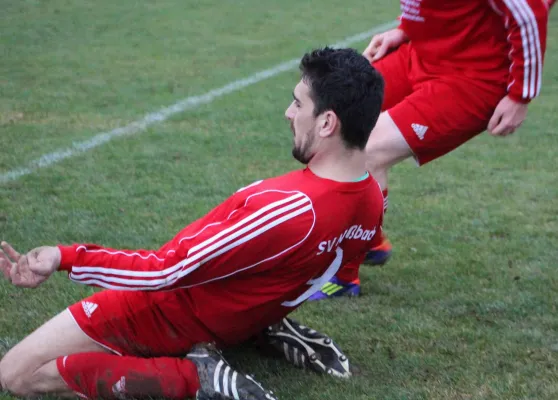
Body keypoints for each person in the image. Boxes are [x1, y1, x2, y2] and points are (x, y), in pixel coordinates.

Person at [0, 46, 385, 400]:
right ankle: (263, 331)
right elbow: (314, 269)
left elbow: (167, 270)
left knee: (17, 374)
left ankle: (198, 379)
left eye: (298, 103)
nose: (288, 112)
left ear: (327, 123)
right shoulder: (371, 201)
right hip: (236, 316)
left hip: (167, 310)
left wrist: (63, 256)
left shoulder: (294, 208)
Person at [309, 0, 554, 300]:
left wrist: (520, 96)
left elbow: (529, 11)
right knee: (331, 119)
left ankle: (343, 277)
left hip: (474, 77)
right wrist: (405, 29)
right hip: (421, 56)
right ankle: (367, 237)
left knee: (368, 151)